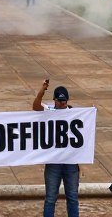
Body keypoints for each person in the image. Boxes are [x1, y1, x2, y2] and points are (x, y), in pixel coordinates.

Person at [33, 80, 79, 217]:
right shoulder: (50, 111)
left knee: (72, 198)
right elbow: (35, 106)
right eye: (59, 101)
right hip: (54, 162)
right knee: (51, 199)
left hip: (70, 162)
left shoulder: (74, 113)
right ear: (54, 100)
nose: (62, 103)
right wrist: (42, 91)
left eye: (64, 101)